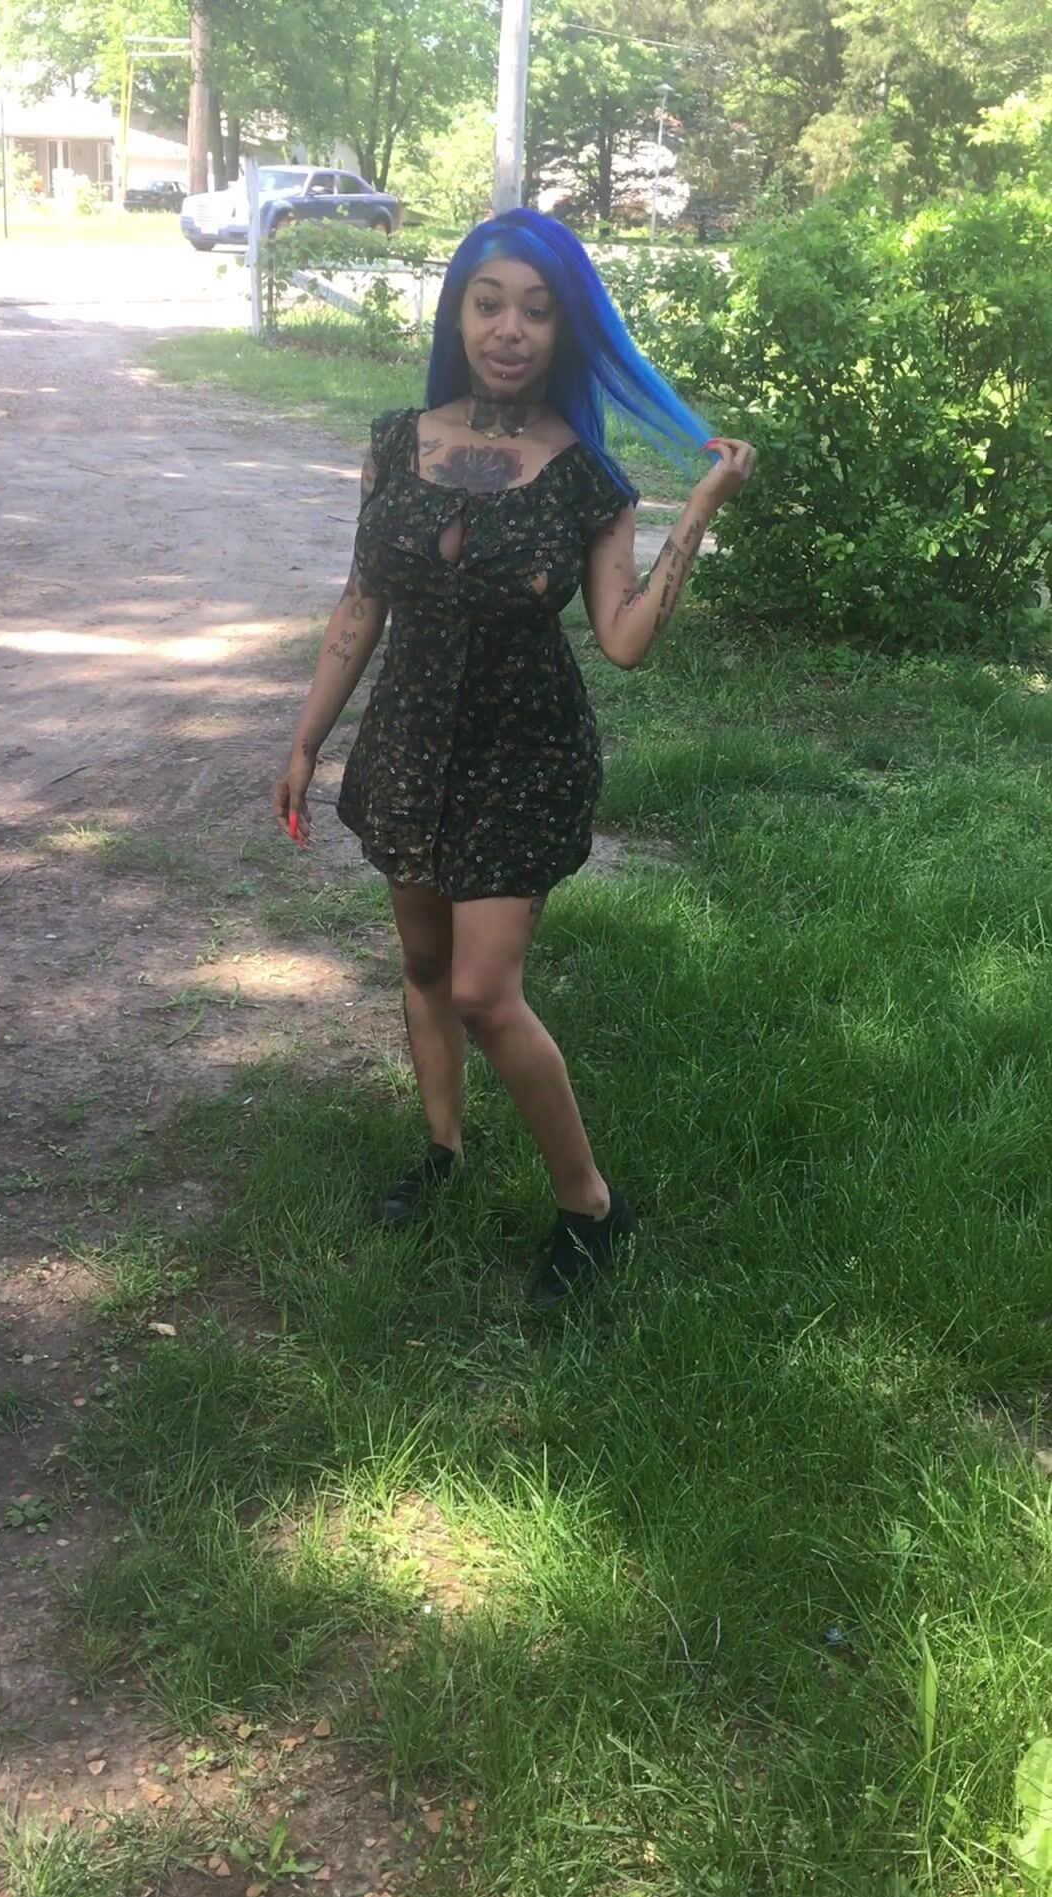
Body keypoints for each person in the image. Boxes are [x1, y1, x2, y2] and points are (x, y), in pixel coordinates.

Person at [272, 207, 755, 1308]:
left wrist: (698, 510)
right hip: (409, 744)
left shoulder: (587, 479)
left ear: (563, 331)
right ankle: (441, 1151)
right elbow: (361, 604)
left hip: (524, 756)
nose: (509, 329)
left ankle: (591, 1204)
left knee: (486, 992)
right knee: (423, 966)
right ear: (457, 314)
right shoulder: (397, 442)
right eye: (489, 303)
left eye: (537, 311)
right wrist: (305, 742)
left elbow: (624, 640)